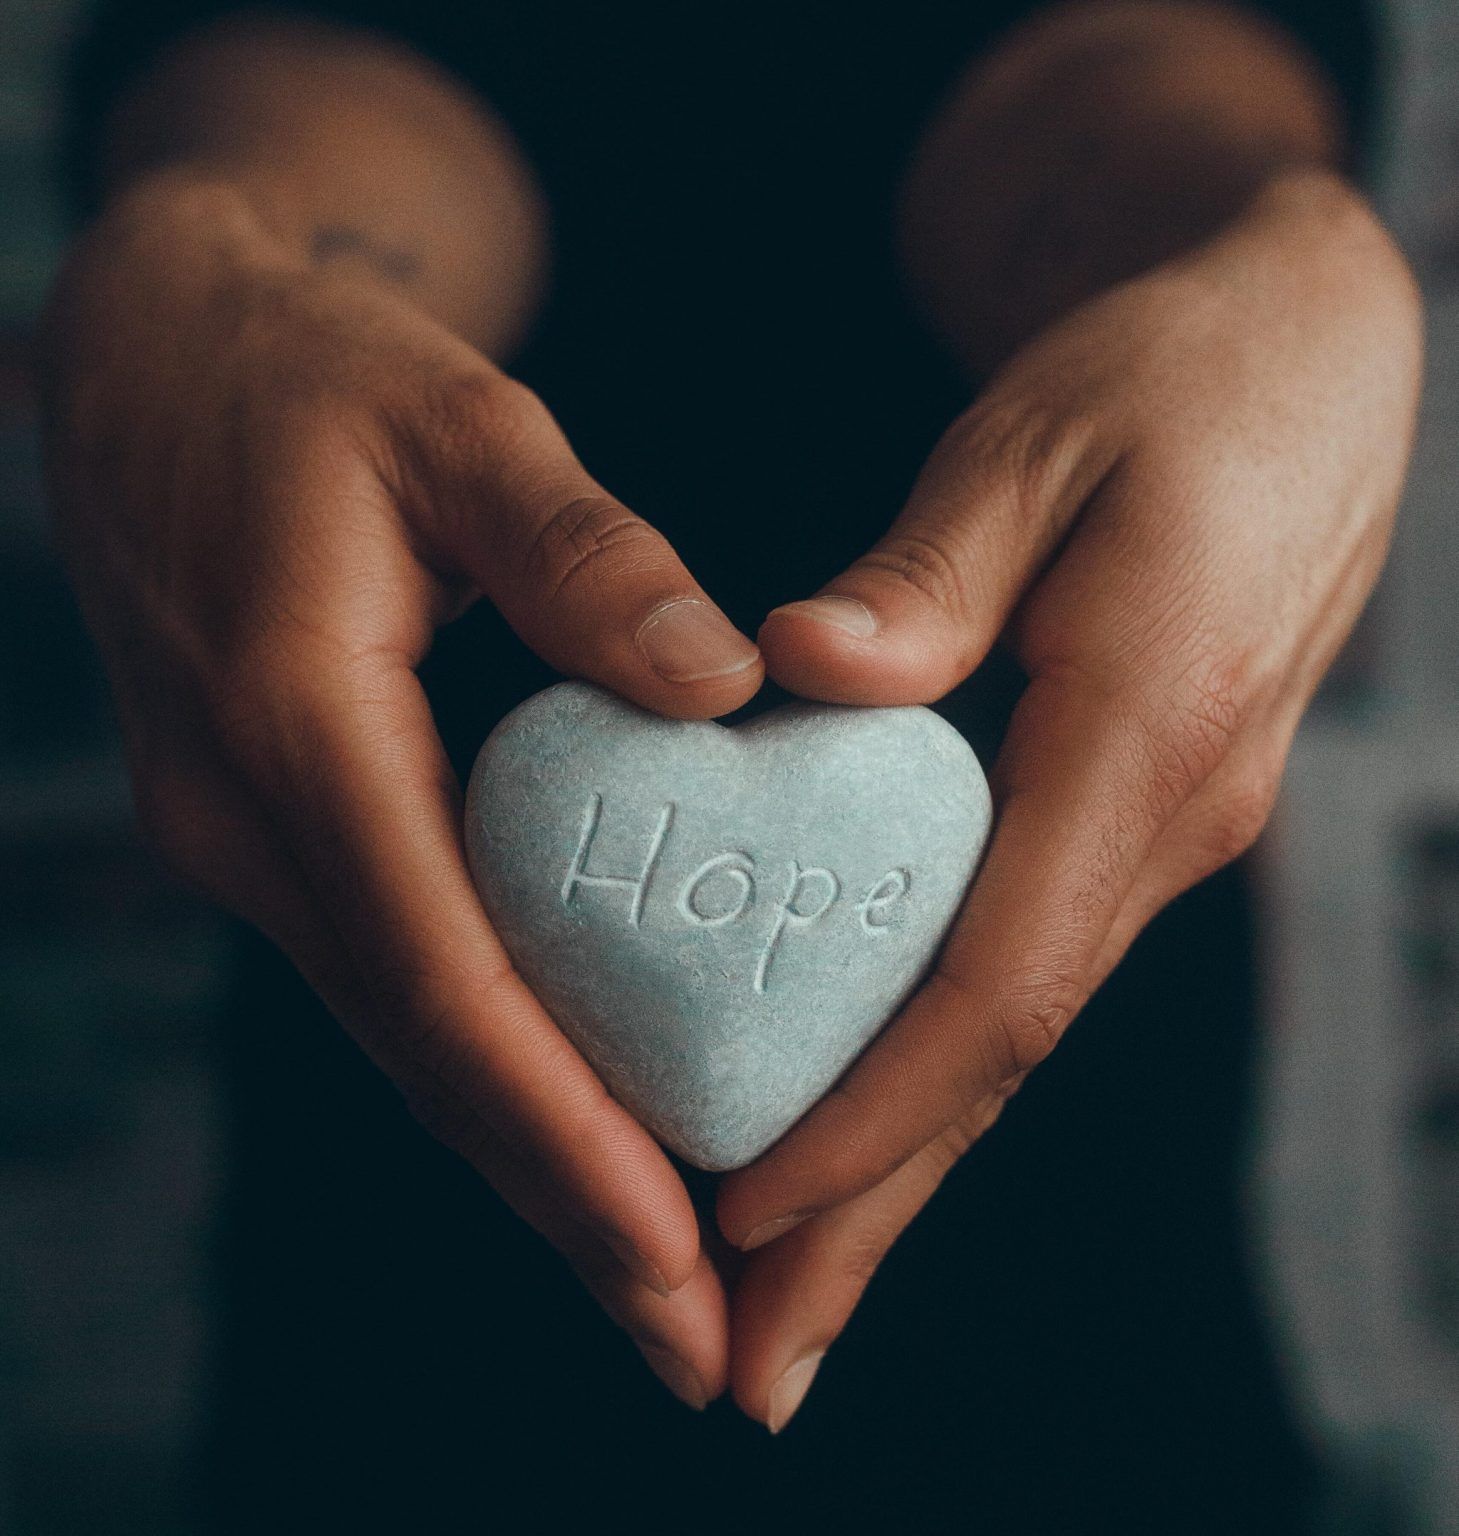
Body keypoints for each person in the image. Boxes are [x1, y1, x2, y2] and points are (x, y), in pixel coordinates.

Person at [41, 0, 1418, 1529]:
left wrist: (1263, 251)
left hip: (1105, 1340)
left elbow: (1118, 93)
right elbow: (320, 77)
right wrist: (227, 251)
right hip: (395, 1368)